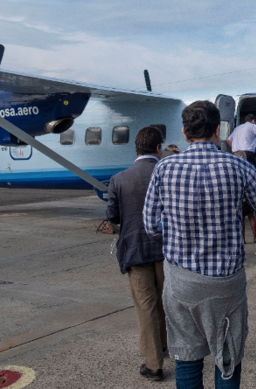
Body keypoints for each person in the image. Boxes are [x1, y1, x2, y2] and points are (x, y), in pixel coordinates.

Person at [143, 101, 256, 389]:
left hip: (181, 282)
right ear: (218, 131)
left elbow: (150, 225)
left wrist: (177, 228)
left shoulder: (165, 168)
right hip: (226, 285)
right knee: (227, 358)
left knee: (187, 358)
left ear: (184, 132)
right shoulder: (238, 166)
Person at [106, 126, 166, 382]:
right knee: (168, 302)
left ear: (137, 148)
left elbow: (113, 216)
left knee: (146, 306)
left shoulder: (119, 179)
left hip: (135, 249)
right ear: (158, 147)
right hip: (167, 250)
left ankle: (154, 364)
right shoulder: (167, 174)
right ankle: (167, 345)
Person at [234, 150, 256, 245]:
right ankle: (255, 238)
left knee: (242, 218)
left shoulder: (235, 169)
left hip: (240, 196)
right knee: (251, 217)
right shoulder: (249, 168)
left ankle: (243, 239)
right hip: (249, 195)